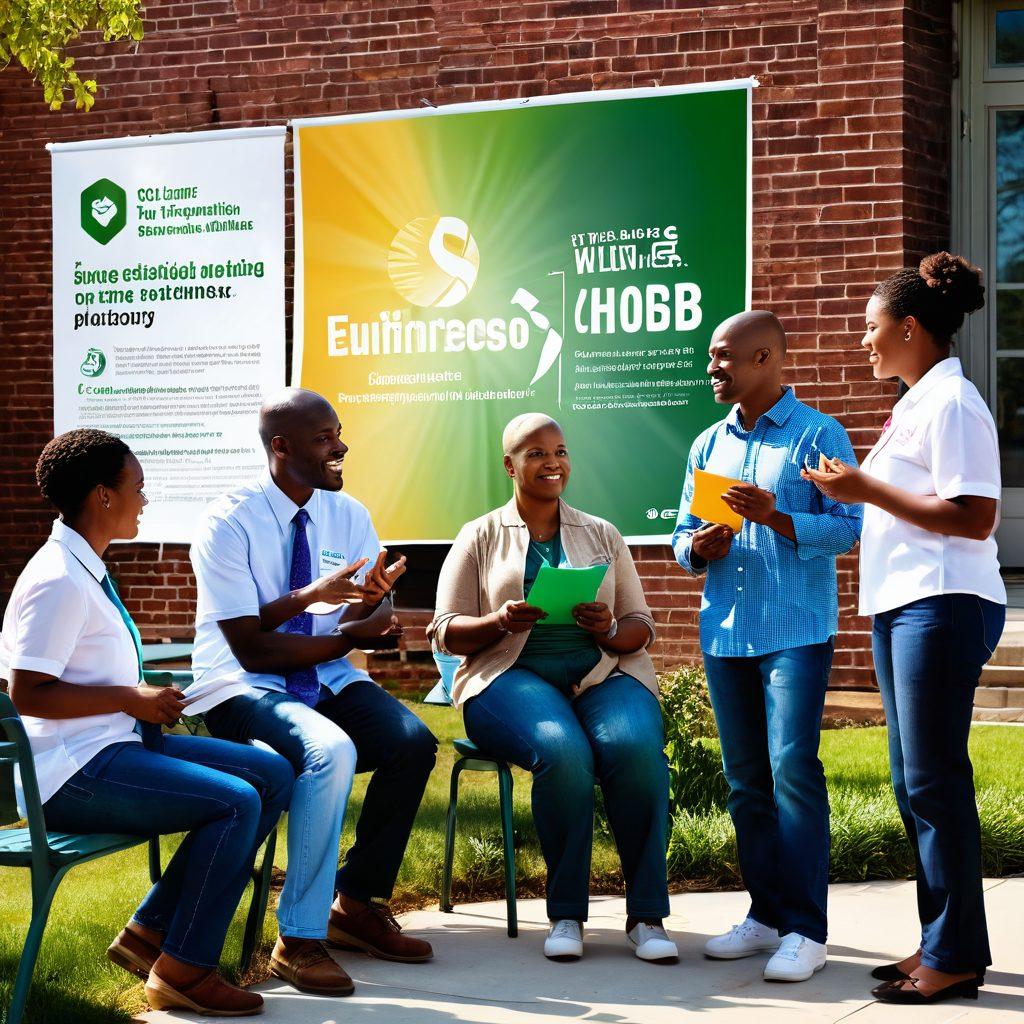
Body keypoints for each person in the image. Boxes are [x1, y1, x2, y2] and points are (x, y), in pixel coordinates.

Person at [0, 429, 293, 1017]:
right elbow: (26, 693)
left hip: (113, 746)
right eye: (138, 487)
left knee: (273, 773)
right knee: (237, 802)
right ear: (103, 495)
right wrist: (131, 698)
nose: (145, 498)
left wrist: (141, 702)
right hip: (71, 773)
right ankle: (185, 967)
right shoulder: (58, 578)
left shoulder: (86, 568)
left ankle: (148, 932)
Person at [188, 387, 437, 997]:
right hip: (240, 685)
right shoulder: (228, 521)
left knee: (412, 743)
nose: (341, 446)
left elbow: (356, 623)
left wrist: (376, 611)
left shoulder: (347, 514)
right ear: (281, 446)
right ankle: (298, 938)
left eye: (338, 433)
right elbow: (252, 647)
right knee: (329, 752)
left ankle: (355, 904)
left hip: (325, 677)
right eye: (324, 438)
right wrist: (329, 621)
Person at [803, 253, 1004, 1005]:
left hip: (943, 604)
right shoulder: (919, 401)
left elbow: (975, 516)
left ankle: (954, 956)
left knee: (934, 781)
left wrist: (864, 488)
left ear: (910, 329)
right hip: (907, 607)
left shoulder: (953, 404)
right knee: (911, 780)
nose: (863, 341)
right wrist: (854, 491)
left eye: (870, 328)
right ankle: (939, 940)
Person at [429, 413, 676, 965]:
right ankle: (567, 913)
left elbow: (642, 626)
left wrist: (607, 628)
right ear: (509, 464)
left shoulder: (601, 534)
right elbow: (444, 631)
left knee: (636, 750)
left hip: (600, 673)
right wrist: (500, 621)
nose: (552, 463)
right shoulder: (480, 535)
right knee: (563, 752)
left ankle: (647, 916)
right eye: (536, 453)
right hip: (507, 678)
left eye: (560, 451)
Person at [673, 311, 862, 982]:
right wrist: (697, 546)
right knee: (746, 783)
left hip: (796, 634)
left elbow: (847, 529)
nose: (712, 368)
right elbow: (679, 534)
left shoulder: (819, 434)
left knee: (792, 773)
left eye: (723, 356)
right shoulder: (706, 444)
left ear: (765, 359)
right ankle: (763, 916)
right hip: (726, 631)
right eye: (710, 357)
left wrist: (774, 516)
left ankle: (807, 930)